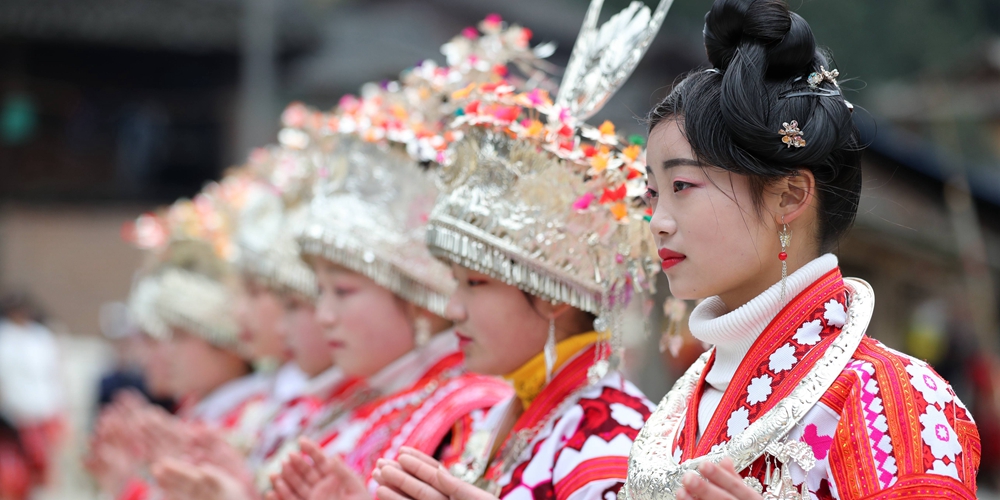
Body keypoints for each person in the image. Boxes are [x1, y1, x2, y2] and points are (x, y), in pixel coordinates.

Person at [618, 1, 981, 499]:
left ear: (789, 195)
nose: (656, 222)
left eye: (681, 186)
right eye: (651, 195)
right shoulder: (686, 398)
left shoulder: (894, 395)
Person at [370, 4, 670, 500]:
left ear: (551, 293)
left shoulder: (608, 440)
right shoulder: (508, 410)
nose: (454, 309)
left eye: (476, 284)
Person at [264, 73, 512, 500]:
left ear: (417, 298)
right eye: (318, 292)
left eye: (342, 292)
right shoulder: (360, 398)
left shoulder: (467, 413)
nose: (323, 315)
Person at [0, 292, 63, 500]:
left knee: (41, 472)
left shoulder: (41, 337)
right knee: (13, 474)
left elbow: (52, 375)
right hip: (13, 417)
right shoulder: (5, 337)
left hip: (42, 413)